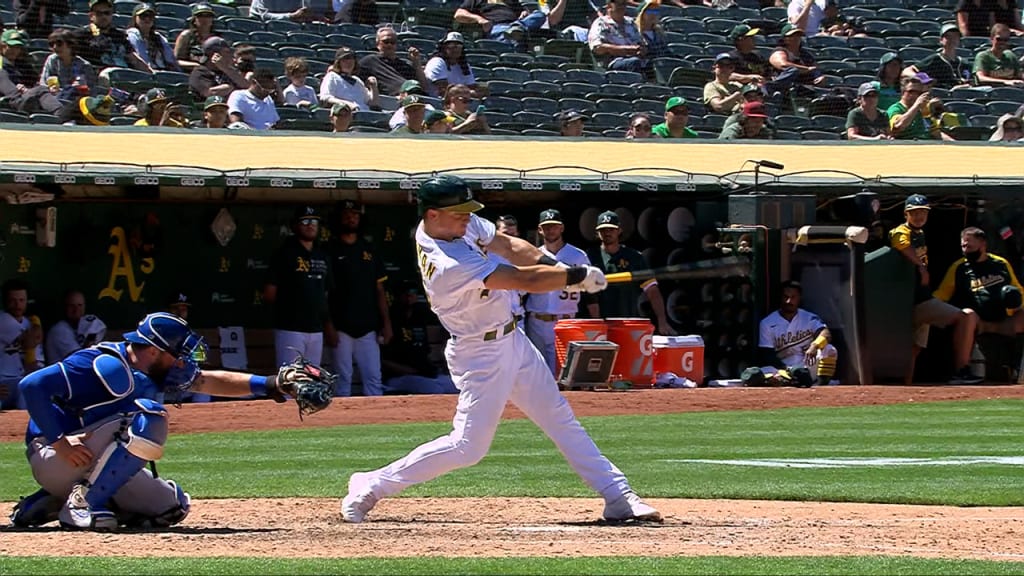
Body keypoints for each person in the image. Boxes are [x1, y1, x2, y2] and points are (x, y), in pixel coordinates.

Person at [340, 175, 661, 525]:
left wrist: (562, 268)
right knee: (468, 448)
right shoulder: (448, 263)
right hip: (480, 353)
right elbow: (521, 278)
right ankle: (371, 483)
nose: (467, 218)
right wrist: (575, 279)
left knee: (559, 417)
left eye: (467, 211)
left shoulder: (456, 225)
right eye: (458, 212)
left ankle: (618, 496)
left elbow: (510, 246)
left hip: (513, 337)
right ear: (432, 214)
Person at [9, 312, 316, 531]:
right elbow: (31, 386)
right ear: (154, 350)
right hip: (55, 455)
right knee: (150, 417)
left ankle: (56, 498)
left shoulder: (152, 370)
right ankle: (83, 504)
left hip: (86, 462)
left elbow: (208, 380)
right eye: (179, 355)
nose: (184, 362)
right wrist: (59, 442)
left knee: (172, 507)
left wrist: (271, 384)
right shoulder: (101, 364)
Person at [889, 194, 980, 385]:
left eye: (923, 212)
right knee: (966, 316)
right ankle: (961, 371)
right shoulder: (901, 230)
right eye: (914, 212)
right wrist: (921, 267)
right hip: (912, 299)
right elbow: (900, 243)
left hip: (918, 297)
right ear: (906, 213)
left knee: (915, 347)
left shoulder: (920, 233)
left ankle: (905, 388)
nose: (919, 216)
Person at [325, 200, 391, 397]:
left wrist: (386, 323)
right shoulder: (329, 249)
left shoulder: (368, 249)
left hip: (368, 327)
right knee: (342, 379)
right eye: (346, 214)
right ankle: (341, 424)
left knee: (373, 378)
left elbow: (379, 290)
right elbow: (323, 293)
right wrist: (328, 325)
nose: (350, 218)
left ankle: (376, 424)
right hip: (340, 327)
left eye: (354, 214)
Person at [264, 206, 333, 368]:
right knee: (290, 380)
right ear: (295, 226)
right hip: (291, 328)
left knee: (312, 381)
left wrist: (328, 324)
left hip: (316, 328)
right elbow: (269, 293)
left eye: (314, 221)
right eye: (305, 221)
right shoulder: (284, 254)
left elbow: (326, 294)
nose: (311, 225)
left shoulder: (322, 255)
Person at [587, 211, 676, 335]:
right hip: (599, 324)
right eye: (603, 229)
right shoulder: (589, 256)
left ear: (619, 231)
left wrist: (662, 320)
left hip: (627, 322)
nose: (607, 232)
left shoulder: (635, 257)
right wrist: (595, 322)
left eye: (611, 229)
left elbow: (652, 290)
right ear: (597, 233)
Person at [524, 209, 590, 376]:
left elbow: (590, 290)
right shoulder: (534, 256)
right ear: (540, 229)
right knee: (537, 371)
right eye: (546, 227)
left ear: (561, 228)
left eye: (554, 226)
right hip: (536, 320)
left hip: (565, 321)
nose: (550, 230)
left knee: (562, 373)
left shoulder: (577, 255)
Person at [935, 227, 1024, 339]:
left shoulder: (1001, 263)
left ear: (983, 244)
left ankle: (993, 329)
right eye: (963, 246)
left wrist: (1016, 303)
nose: (966, 250)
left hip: (1003, 318)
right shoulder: (959, 267)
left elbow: (1017, 287)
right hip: (976, 321)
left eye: (970, 247)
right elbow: (943, 293)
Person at [755, 280, 838, 386]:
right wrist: (788, 370)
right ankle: (791, 381)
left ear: (799, 298)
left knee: (830, 349)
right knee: (761, 373)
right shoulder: (767, 323)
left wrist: (814, 345)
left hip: (806, 364)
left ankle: (820, 385)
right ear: (780, 298)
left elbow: (826, 333)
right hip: (781, 367)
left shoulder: (809, 318)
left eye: (793, 297)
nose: (789, 301)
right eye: (785, 296)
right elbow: (767, 355)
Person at [380, 282, 458, 395]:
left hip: (426, 375)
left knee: (457, 387)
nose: (409, 296)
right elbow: (383, 361)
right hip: (399, 378)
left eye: (413, 293)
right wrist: (411, 371)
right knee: (435, 390)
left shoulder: (419, 317)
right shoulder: (391, 322)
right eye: (406, 293)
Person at [0, 279, 44, 410]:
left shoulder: (26, 322)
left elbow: (33, 363)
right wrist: (36, 323)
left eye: (21, 300)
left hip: (19, 381)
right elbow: (31, 340)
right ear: (5, 302)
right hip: (3, 382)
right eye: (12, 300)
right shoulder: (3, 319)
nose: (17, 305)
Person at [76, 0, 152, 72]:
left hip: (122, 77)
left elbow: (134, 59)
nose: (103, 17)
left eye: (107, 13)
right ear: (91, 16)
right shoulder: (81, 35)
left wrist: (152, 74)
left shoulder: (119, 35)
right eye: (99, 13)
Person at [358, 27, 428, 97]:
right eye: (386, 41)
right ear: (377, 43)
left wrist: (417, 62)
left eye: (393, 42)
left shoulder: (404, 65)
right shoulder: (369, 61)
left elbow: (424, 86)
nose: (389, 45)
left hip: (415, 97)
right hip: (392, 100)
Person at [587, 0, 650, 75]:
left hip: (637, 59)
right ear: (609, 5)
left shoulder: (631, 22)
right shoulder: (600, 23)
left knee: (656, 63)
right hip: (613, 63)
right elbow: (597, 47)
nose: (622, 6)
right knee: (634, 62)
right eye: (618, 3)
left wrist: (642, 50)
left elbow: (642, 43)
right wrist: (625, 50)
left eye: (624, 4)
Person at [45, 289, 106, 365]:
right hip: (61, 375)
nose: (76, 309)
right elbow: (80, 360)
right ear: (64, 307)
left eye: (80, 305)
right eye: (71, 306)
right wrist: (90, 341)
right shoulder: (59, 330)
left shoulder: (81, 326)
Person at [904, 23, 971, 90]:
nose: (952, 39)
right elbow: (907, 71)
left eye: (955, 37)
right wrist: (924, 79)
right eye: (948, 36)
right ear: (941, 40)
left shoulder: (963, 62)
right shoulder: (935, 59)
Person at [38, 28, 97, 98]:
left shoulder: (84, 66)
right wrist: (50, 89)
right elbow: (43, 83)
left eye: (59, 44)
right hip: (53, 98)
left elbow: (92, 91)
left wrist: (81, 88)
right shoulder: (52, 60)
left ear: (70, 45)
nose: (55, 47)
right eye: (51, 44)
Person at [319, 47, 378, 112]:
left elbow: (371, 103)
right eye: (345, 59)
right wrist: (347, 104)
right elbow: (325, 97)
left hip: (364, 114)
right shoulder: (332, 76)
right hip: (345, 115)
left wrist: (373, 87)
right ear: (338, 62)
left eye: (351, 59)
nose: (349, 62)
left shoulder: (357, 80)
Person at [188, 36, 247, 100]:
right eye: (227, 52)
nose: (231, 55)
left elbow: (246, 86)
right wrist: (230, 88)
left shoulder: (229, 71)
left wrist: (226, 69)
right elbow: (208, 93)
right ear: (215, 55)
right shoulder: (199, 72)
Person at [423, 32, 480, 98]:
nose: (455, 49)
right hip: (437, 102)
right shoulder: (437, 62)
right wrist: (469, 92)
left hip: (461, 102)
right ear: (444, 47)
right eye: (451, 45)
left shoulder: (465, 66)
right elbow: (443, 90)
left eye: (459, 46)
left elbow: (472, 87)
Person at [126, 3, 180, 72]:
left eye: (150, 16)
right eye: (143, 16)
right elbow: (141, 57)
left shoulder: (159, 37)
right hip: (145, 72)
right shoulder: (132, 34)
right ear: (135, 18)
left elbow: (170, 60)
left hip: (163, 72)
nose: (147, 19)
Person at [173, 2, 217, 73]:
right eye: (200, 16)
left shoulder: (217, 39)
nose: (204, 19)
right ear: (194, 20)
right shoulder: (186, 36)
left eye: (208, 16)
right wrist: (198, 66)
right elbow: (176, 61)